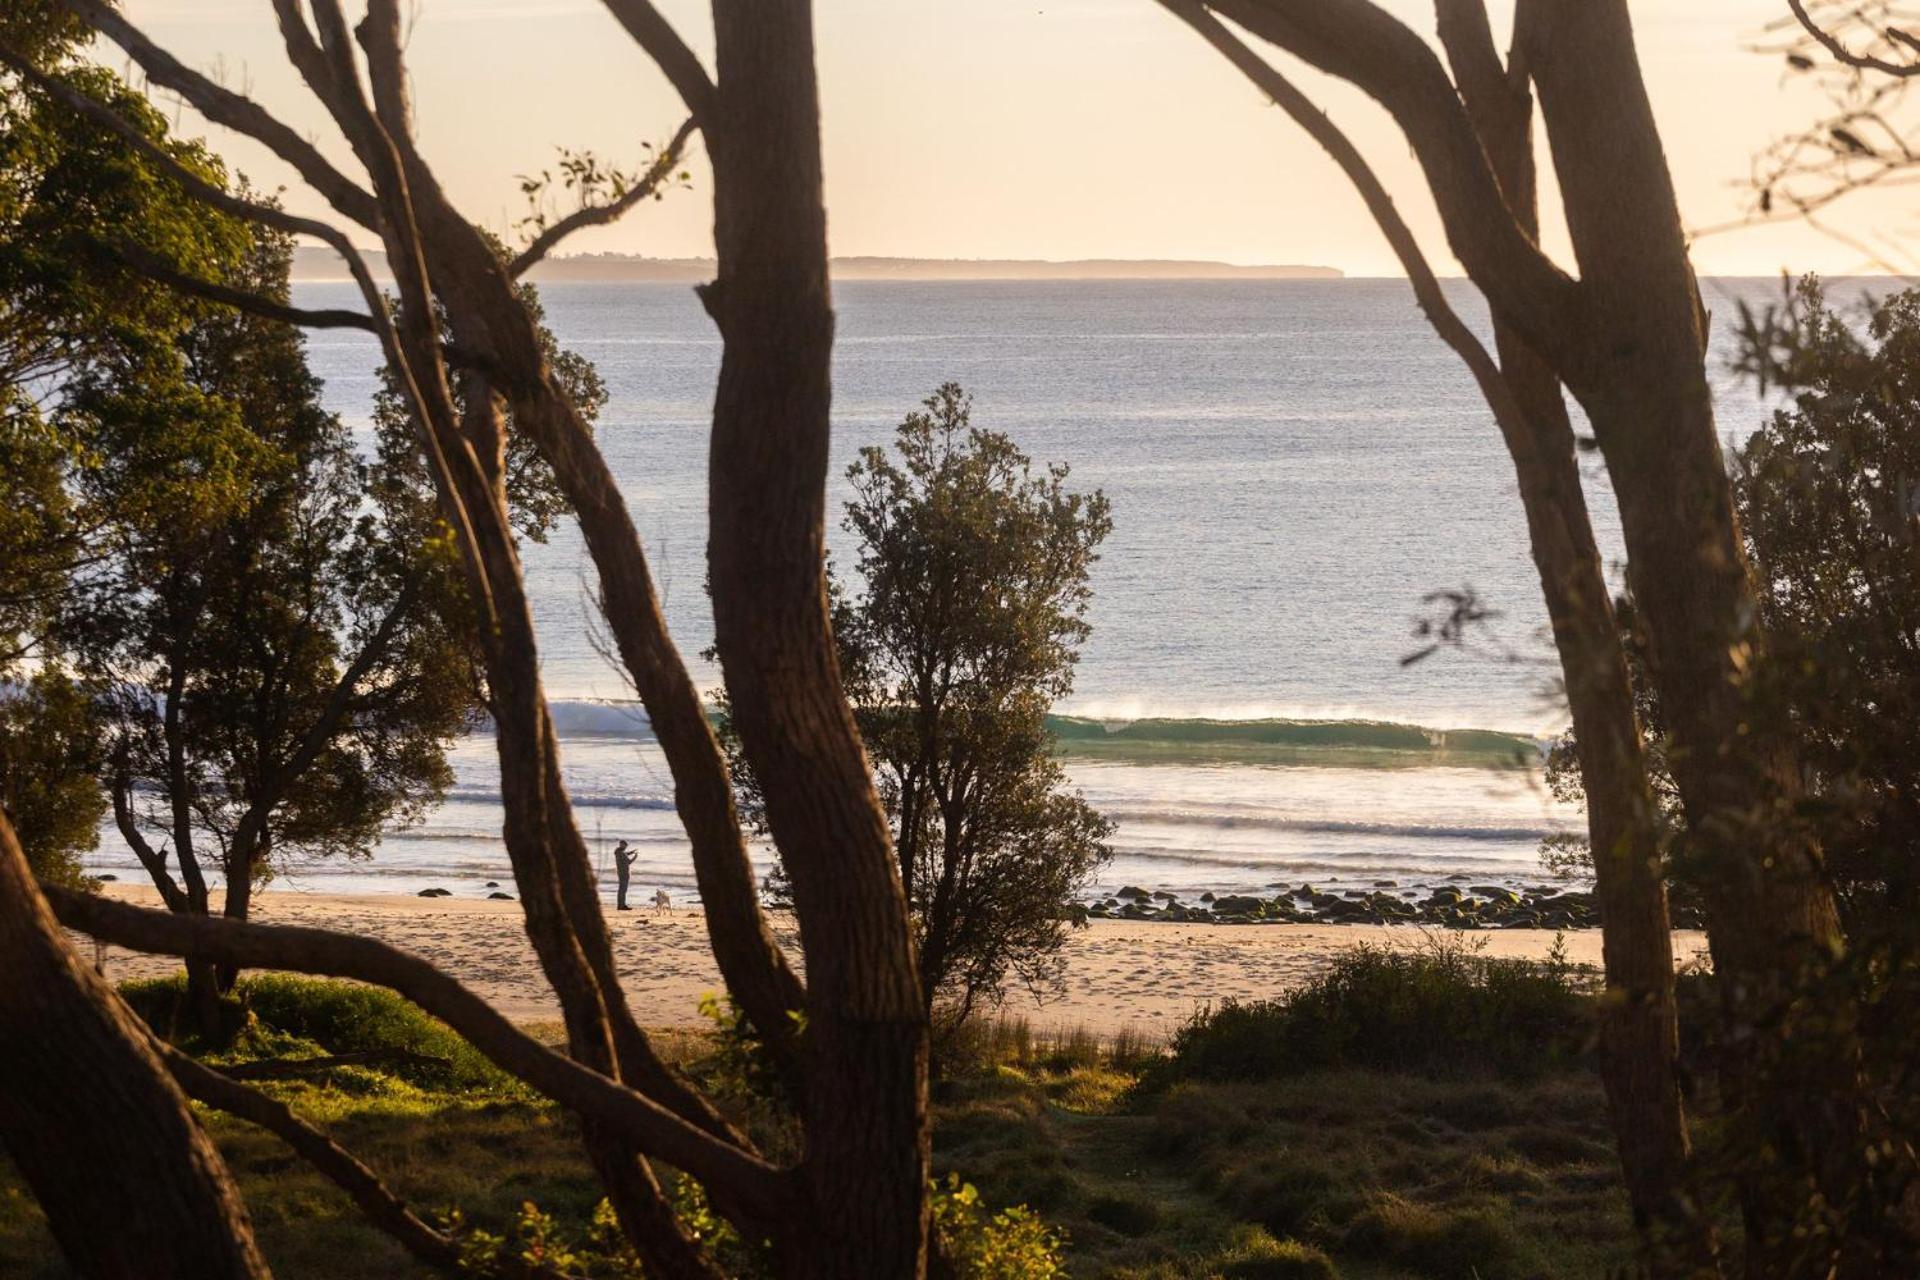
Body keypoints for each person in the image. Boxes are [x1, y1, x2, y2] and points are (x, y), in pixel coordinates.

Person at [613, 840, 637, 911]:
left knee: (621, 890)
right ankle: (622, 906)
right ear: (622, 845)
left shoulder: (618, 852)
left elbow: (625, 854)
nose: (626, 847)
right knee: (623, 890)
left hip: (620, 873)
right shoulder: (621, 853)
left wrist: (631, 852)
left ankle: (620, 905)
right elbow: (629, 862)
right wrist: (635, 856)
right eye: (625, 846)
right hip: (624, 873)